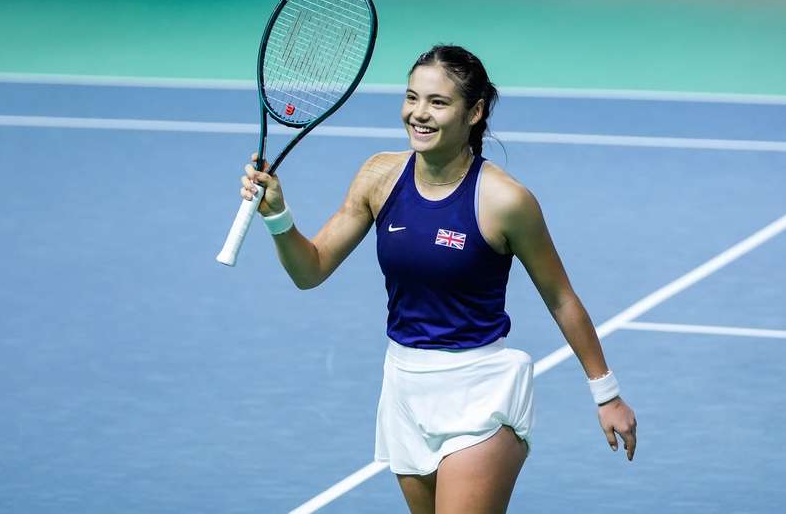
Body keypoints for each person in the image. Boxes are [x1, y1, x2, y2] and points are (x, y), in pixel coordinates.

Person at [239, 45, 637, 513]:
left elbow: (561, 298)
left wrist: (605, 394)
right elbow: (311, 269)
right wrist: (278, 216)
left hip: (479, 392)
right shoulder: (379, 177)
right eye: (411, 98)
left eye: (437, 102)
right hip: (405, 388)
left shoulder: (504, 200)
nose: (418, 114)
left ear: (475, 112)